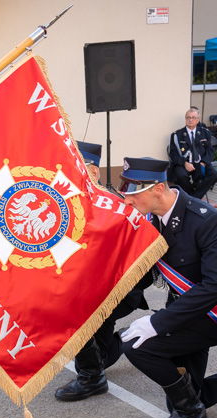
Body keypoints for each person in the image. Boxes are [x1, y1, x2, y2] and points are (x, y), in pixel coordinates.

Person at [115, 157, 217, 418]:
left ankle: (192, 414)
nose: (127, 202)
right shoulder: (152, 219)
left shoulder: (206, 219)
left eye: (133, 195)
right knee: (185, 391)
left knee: (137, 345)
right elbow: (147, 273)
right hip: (184, 307)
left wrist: (157, 323)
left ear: (158, 189)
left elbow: (215, 285)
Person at [54, 142, 148, 401]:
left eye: (78, 167)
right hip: (94, 289)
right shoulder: (73, 202)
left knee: (73, 317)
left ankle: (91, 379)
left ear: (93, 172)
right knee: (102, 354)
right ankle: (132, 339)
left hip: (119, 289)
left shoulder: (114, 206)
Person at [168, 108, 217, 200]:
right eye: (188, 117)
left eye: (193, 117)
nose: (190, 120)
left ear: (198, 120)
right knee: (180, 175)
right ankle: (193, 196)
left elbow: (210, 150)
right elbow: (173, 154)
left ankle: (194, 198)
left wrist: (203, 162)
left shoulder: (205, 133)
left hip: (201, 162)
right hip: (183, 163)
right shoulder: (176, 135)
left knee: (213, 174)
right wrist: (184, 163)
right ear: (185, 119)